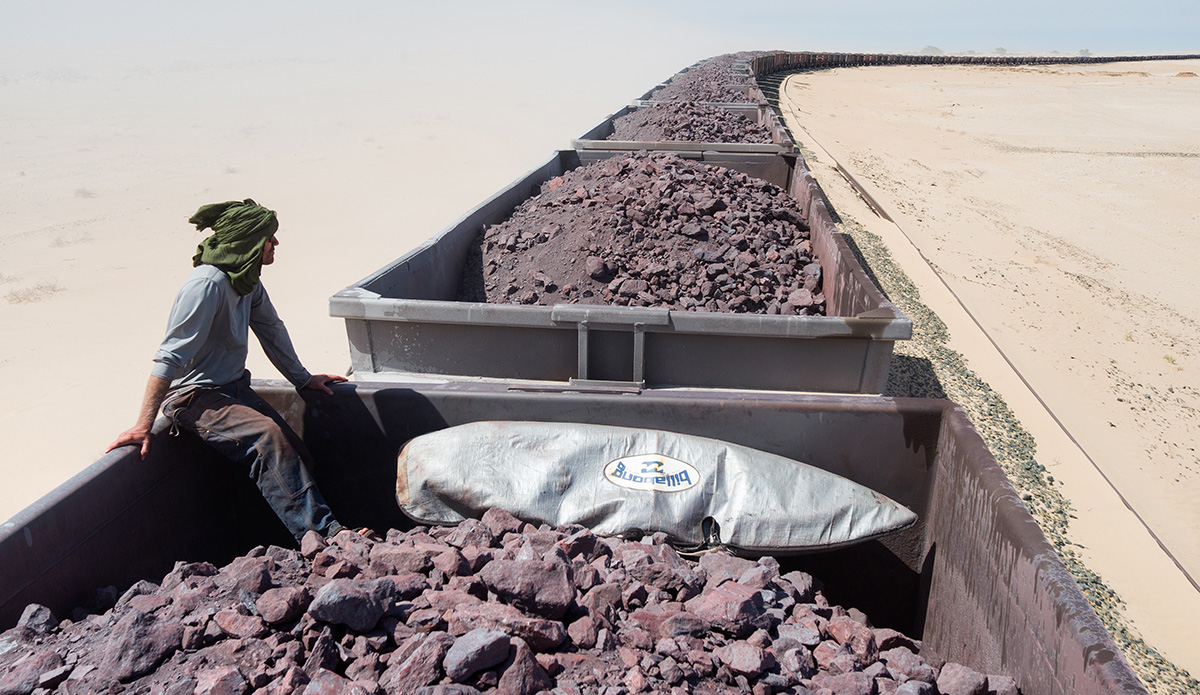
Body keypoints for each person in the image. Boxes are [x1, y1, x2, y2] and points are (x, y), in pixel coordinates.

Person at [108, 199, 356, 542]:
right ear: (251, 242)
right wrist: (143, 425)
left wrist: (303, 379)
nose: (276, 244)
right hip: (194, 397)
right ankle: (324, 538)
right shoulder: (206, 286)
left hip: (233, 387)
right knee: (267, 438)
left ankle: (281, 538)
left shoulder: (245, 279)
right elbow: (168, 357)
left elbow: (271, 329)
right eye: (271, 238)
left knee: (298, 455)